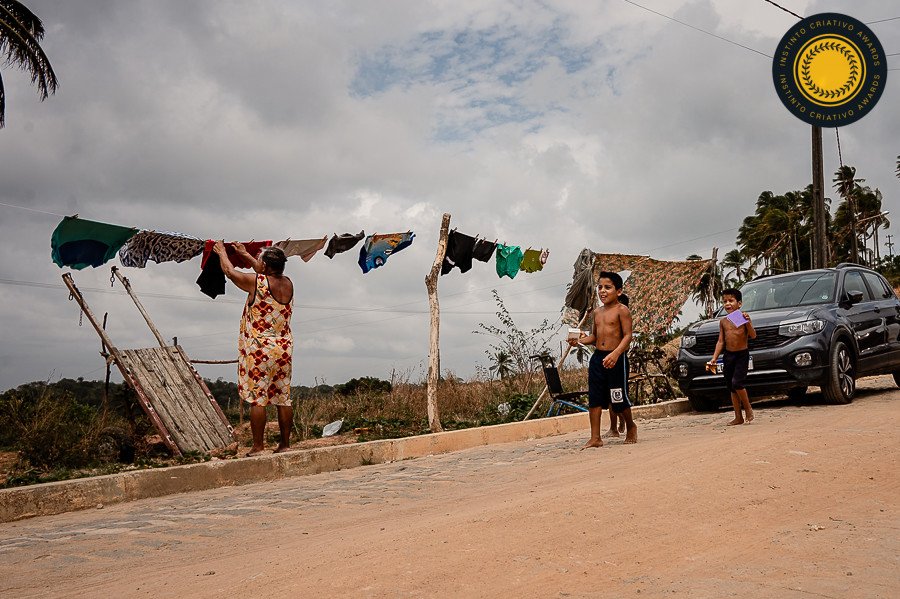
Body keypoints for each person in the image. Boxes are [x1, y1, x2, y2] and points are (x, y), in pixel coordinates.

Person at [213, 241, 294, 455]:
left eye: (259, 261)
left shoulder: (257, 283)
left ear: (265, 266)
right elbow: (262, 271)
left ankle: (258, 446)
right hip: (283, 347)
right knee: (283, 397)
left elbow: (230, 272)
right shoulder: (287, 283)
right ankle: (285, 445)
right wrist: (245, 254)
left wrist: (222, 252)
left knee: (258, 399)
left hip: (260, 348)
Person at [568, 272, 636, 446]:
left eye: (608, 287)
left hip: (616, 358)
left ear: (618, 291)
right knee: (595, 397)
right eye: (600, 287)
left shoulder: (622, 310)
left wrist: (615, 354)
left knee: (618, 396)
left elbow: (628, 336)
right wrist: (579, 341)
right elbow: (594, 337)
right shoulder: (597, 312)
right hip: (598, 358)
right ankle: (595, 437)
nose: (602, 291)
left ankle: (631, 426)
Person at [708, 288, 756, 425]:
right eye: (725, 301)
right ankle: (738, 417)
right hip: (729, 356)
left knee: (737, 383)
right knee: (731, 387)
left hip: (742, 354)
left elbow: (753, 335)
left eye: (731, 300)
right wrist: (714, 358)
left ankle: (748, 408)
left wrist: (748, 322)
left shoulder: (743, 318)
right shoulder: (723, 321)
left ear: (739, 304)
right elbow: (721, 341)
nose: (727, 304)